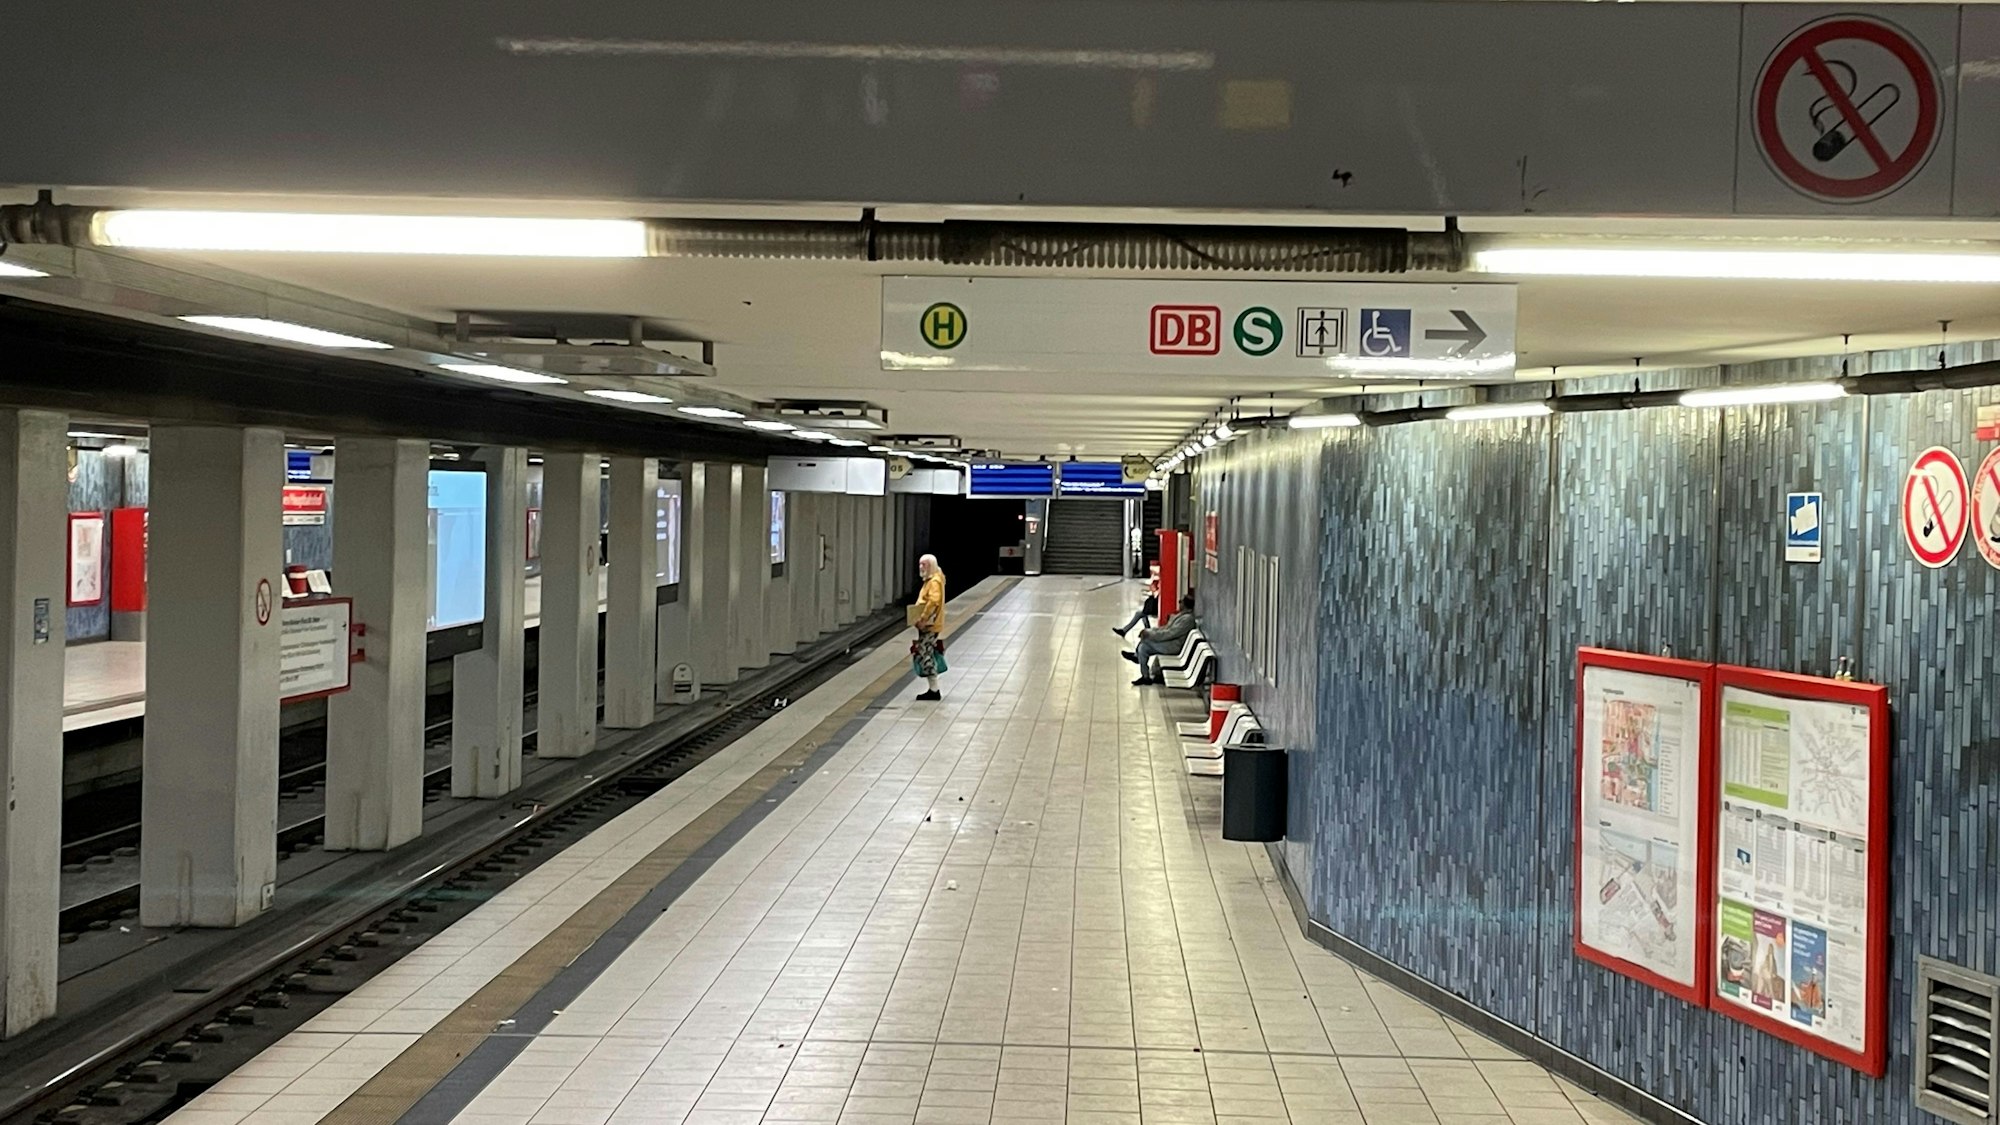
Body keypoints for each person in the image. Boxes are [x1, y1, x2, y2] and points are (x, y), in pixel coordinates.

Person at [1124, 587, 1197, 685]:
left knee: (1145, 643)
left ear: (1185, 605)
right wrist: (1150, 631)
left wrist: (1150, 634)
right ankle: (1144, 675)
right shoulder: (1182, 616)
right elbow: (1166, 629)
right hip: (1171, 643)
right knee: (1143, 647)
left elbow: (1170, 633)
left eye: (1181, 602)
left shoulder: (1187, 620)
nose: (1179, 603)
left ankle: (1139, 662)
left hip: (1174, 646)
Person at [910, 553, 947, 701]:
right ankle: (933, 688)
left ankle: (934, 690)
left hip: (930, 625)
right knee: (926, 652)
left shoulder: (934, 582)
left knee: (925, 653)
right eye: (920, 564)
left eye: (923, 565)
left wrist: (923, 618)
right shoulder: (932, 579)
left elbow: (933, 601)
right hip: (929, 625)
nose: (921, 567)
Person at [1112, 570, 1159, 638]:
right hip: (1154, 608)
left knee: (1140, 614)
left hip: (1155, 610)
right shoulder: (1159, 591)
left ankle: (1125, 631)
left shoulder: (1159, 591)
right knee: (1142, 614)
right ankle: (1147, 630)